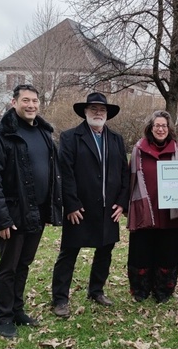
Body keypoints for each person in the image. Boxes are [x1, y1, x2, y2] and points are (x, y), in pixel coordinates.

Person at [0, 84, 63, 338]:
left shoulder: (43, 133)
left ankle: (17, 310)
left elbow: (52, 175)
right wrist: (1, 218)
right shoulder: (1, 135)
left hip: (36, 212)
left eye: (35, 101)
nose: (31, 105)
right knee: (8, 267)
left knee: (24, 264)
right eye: (25, 100)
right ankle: (3, 318)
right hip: (13, 214)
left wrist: (50, 210)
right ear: (14, 102)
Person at [51, 93, 130, 318]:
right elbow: (64, 173)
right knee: (69, 252)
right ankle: (60, 299)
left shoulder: (116, 139)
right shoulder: (70, 137)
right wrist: (72, 204)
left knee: (105, 251)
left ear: (107, 114)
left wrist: (122, 203)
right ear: (85, 112)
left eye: (102, 109)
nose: (98, 113)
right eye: (93, 109)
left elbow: (124, 173)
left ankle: (96, 290)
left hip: (109, 209)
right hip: (80, 209)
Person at [126, 110, 178, 303]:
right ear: (150, 128)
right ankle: (141, 289)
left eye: (164, 126)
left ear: (169, 128)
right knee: (141, 252)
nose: (160, 129)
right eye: (157, 126)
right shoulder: (138, 149)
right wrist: (126, 206)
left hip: (171, 212)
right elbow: (129, 179)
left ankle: (163, 290)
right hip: (144, 210)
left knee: (168, 252)